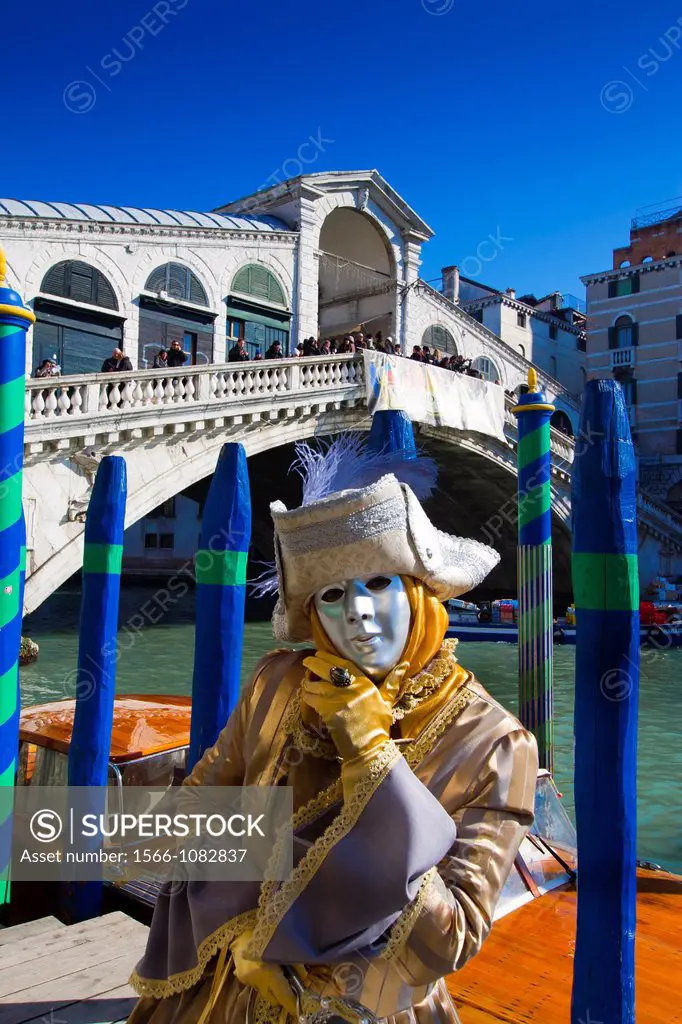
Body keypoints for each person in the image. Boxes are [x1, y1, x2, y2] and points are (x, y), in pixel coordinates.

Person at [128, 437, 538, 1024]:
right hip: (227, 981)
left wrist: (372, 757)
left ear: (418, 591)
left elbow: (450, 940)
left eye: (378, 583)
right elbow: (205, 805)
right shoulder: (278, 683)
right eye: (332, 594)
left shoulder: (495, 744)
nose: (358, 613)